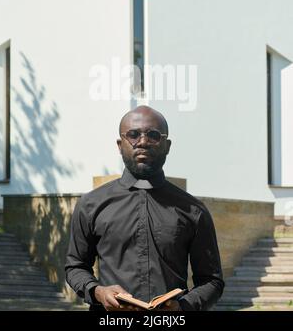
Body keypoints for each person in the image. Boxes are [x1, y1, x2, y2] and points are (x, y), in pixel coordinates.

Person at [65, 105, 224, 311]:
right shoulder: (91, 204)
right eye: (133, 134)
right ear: (120, 145)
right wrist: (98, 292)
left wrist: (183, 307)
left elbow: (212, 281)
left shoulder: (193, 210)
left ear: (167, 145)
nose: (143, 142)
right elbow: (75, 267)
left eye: (153, 135)